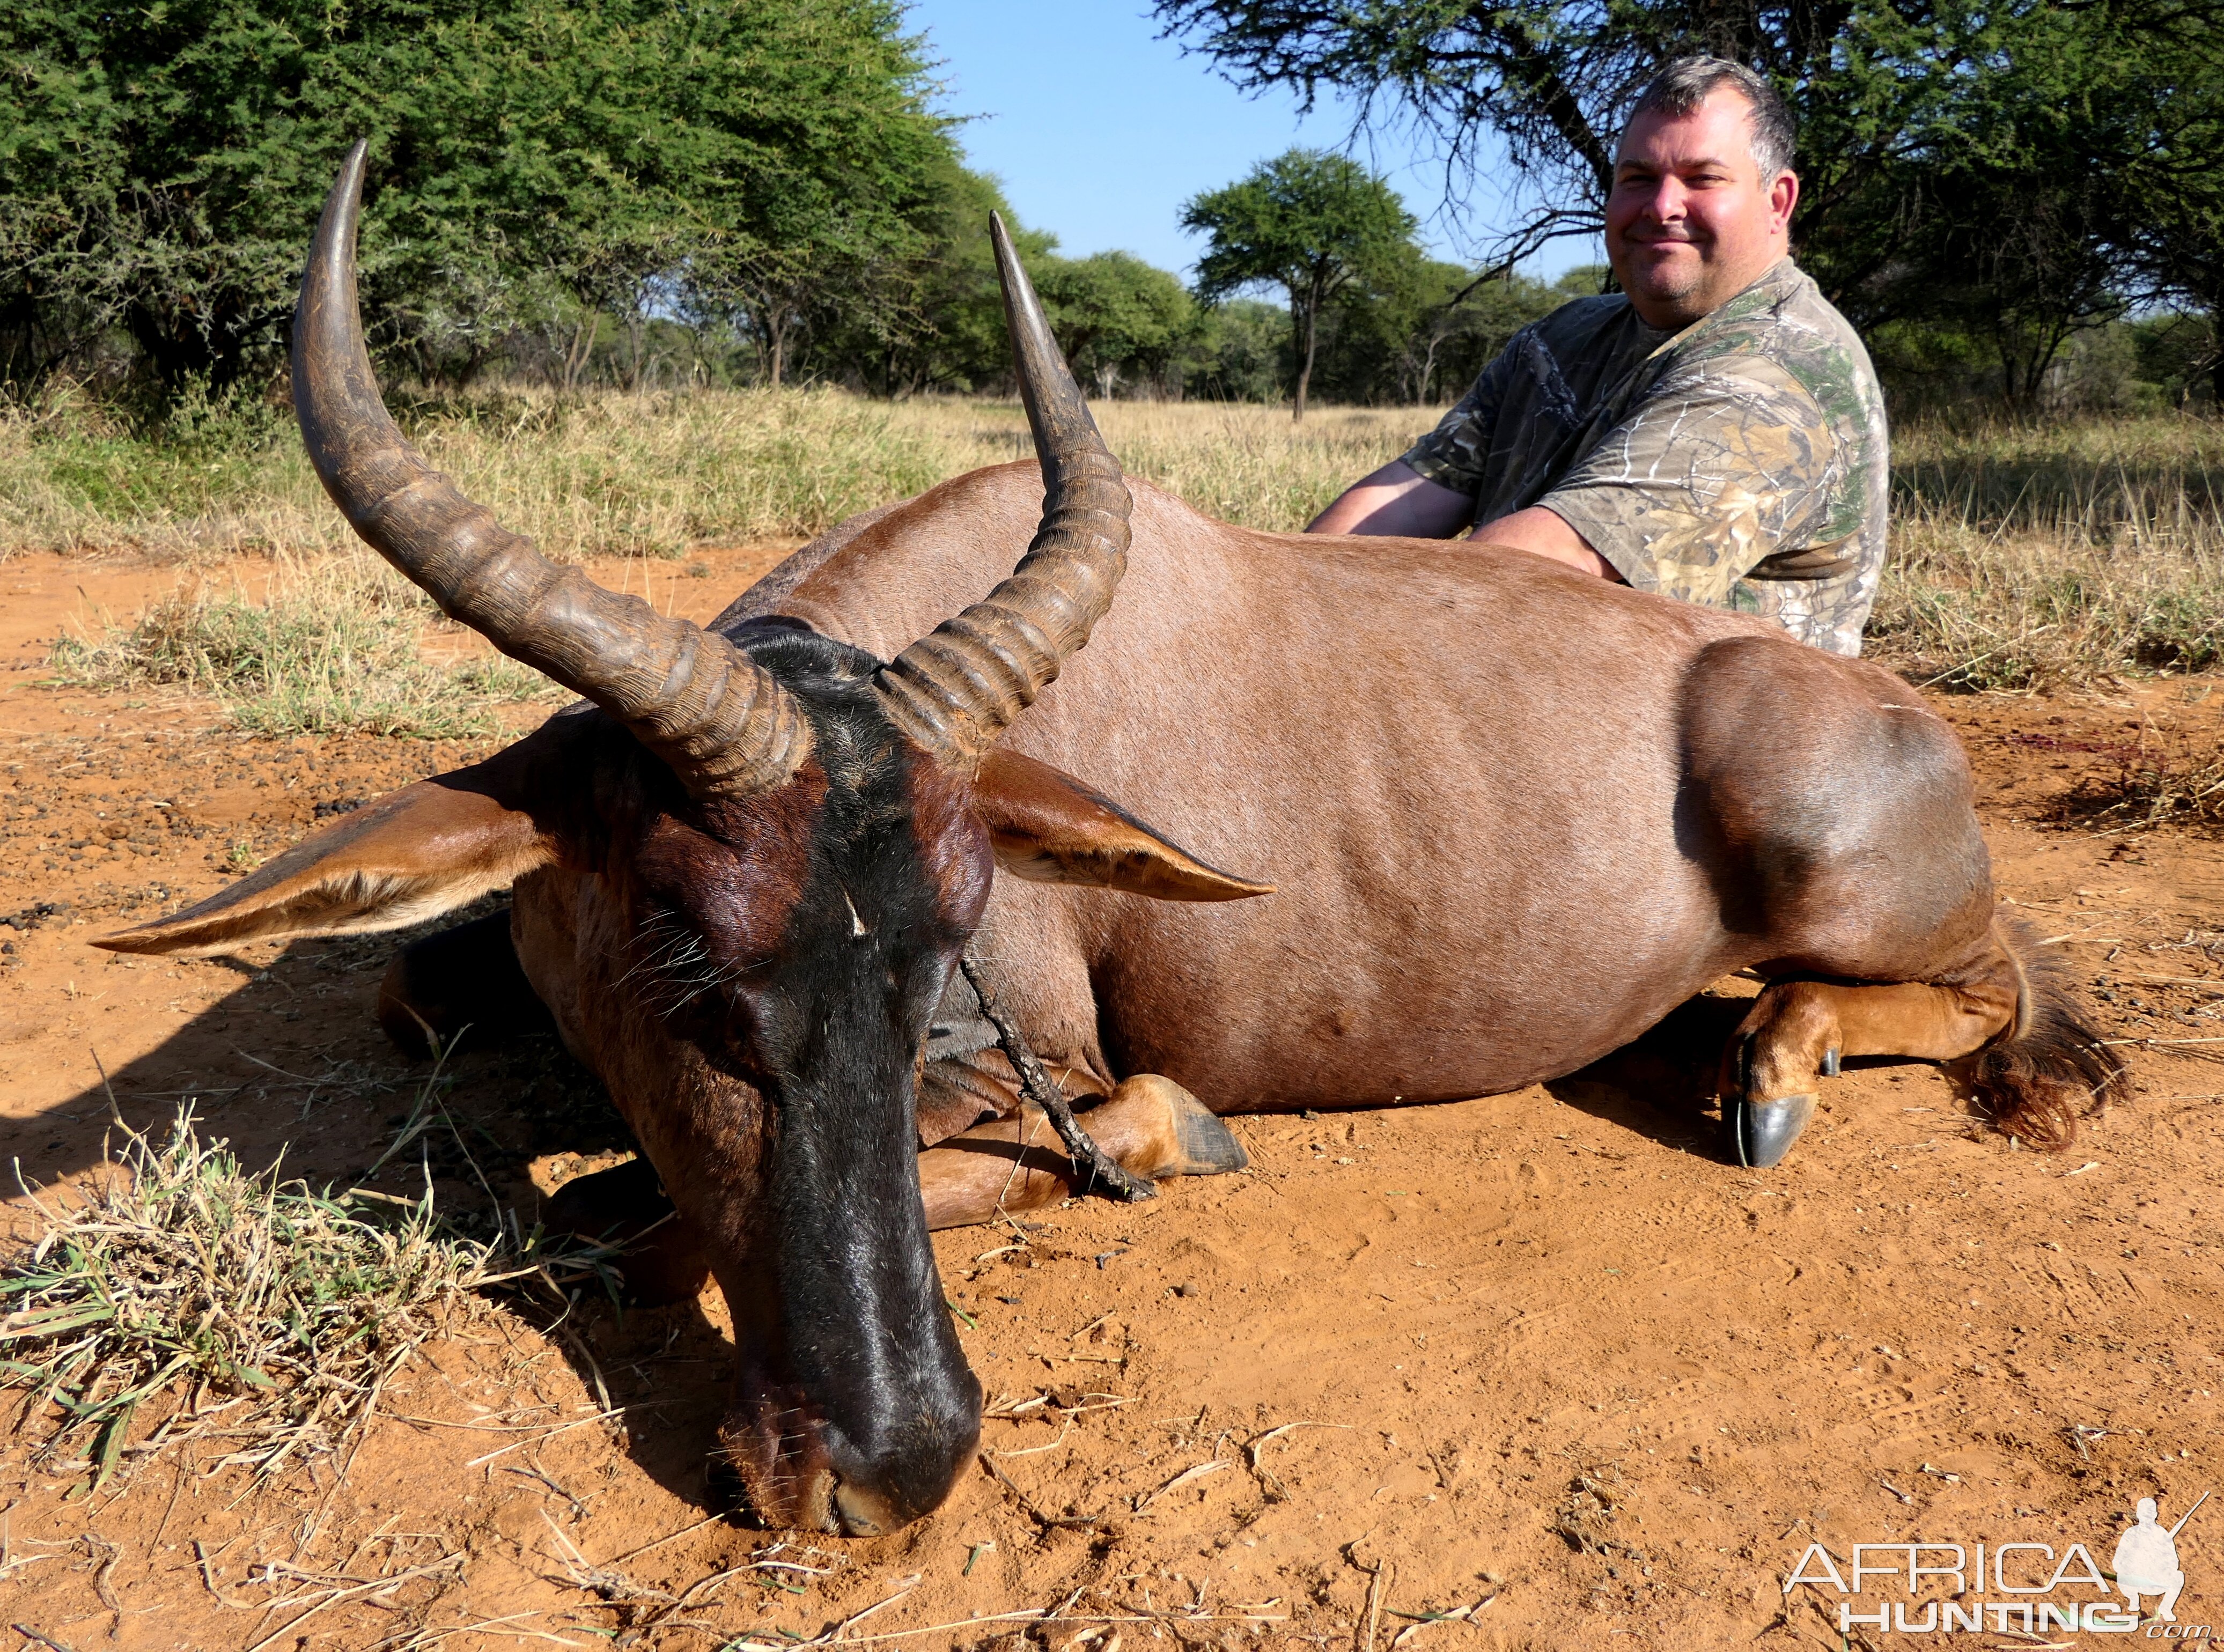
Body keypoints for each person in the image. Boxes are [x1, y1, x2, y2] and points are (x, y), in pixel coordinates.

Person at [1307, 56, 1889, 657]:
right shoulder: (1563, 335)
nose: (1662, 205)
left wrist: (1324, 633)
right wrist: (1296, 597)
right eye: (1638, 177)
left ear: (1779, 201)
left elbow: (1539, 566)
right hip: (1535, 689)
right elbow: (1411, 492)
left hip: (1692, 739)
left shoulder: (1781, 372)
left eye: (1703, 178)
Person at [2113, 1498, 2185, 1621]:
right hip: (2135, 1579)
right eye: (2144, 1513)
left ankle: (2166, 1608)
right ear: (2138, 1514)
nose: (2147, 1517)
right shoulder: (2131, 1534)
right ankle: (2133, 1599)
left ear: (2155, 1515)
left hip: (2156, 1579)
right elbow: (2118, 1560)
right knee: (2121, 1575)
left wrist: (2158, 1561)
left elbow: (2174, 1562)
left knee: (2178, 1576)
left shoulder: (2162, 1534)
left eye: (2150, 1513)